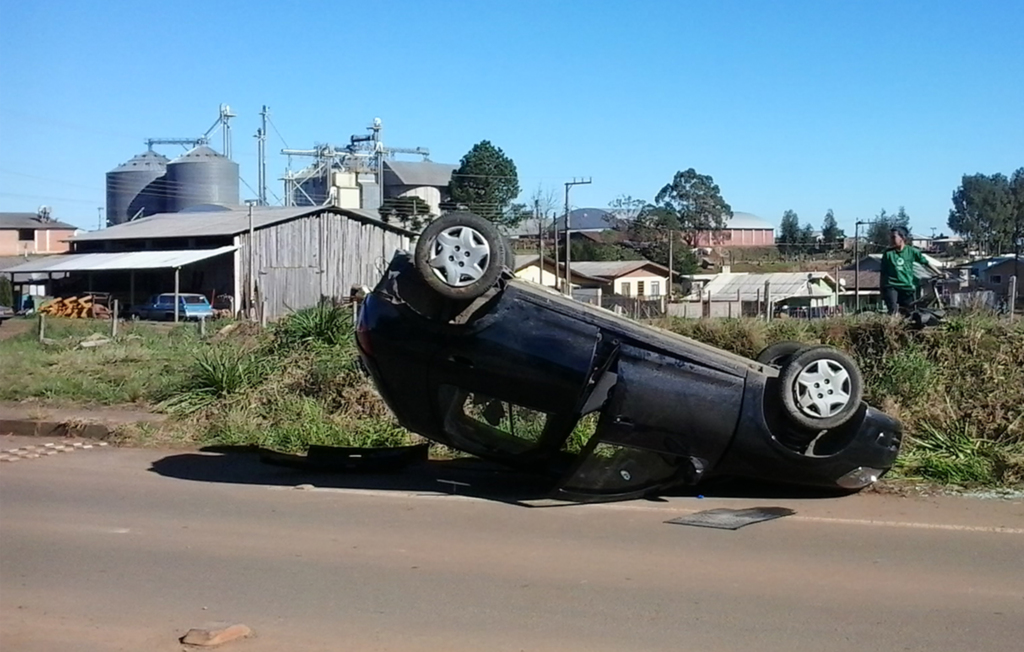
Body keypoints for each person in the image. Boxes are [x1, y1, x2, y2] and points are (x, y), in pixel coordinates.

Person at [879, 227, 944, 315]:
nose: (891, 240)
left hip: (907, 286)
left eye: (893, 237)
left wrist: (939, 273)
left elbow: (925, 263)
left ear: (902, 238)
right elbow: (883, 272)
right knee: (893, 310)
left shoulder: (912, 251)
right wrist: (882, 289)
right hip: (891, 286)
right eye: (890, 237)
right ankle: (891, 325)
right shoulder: (887, 254)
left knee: (908, 313)